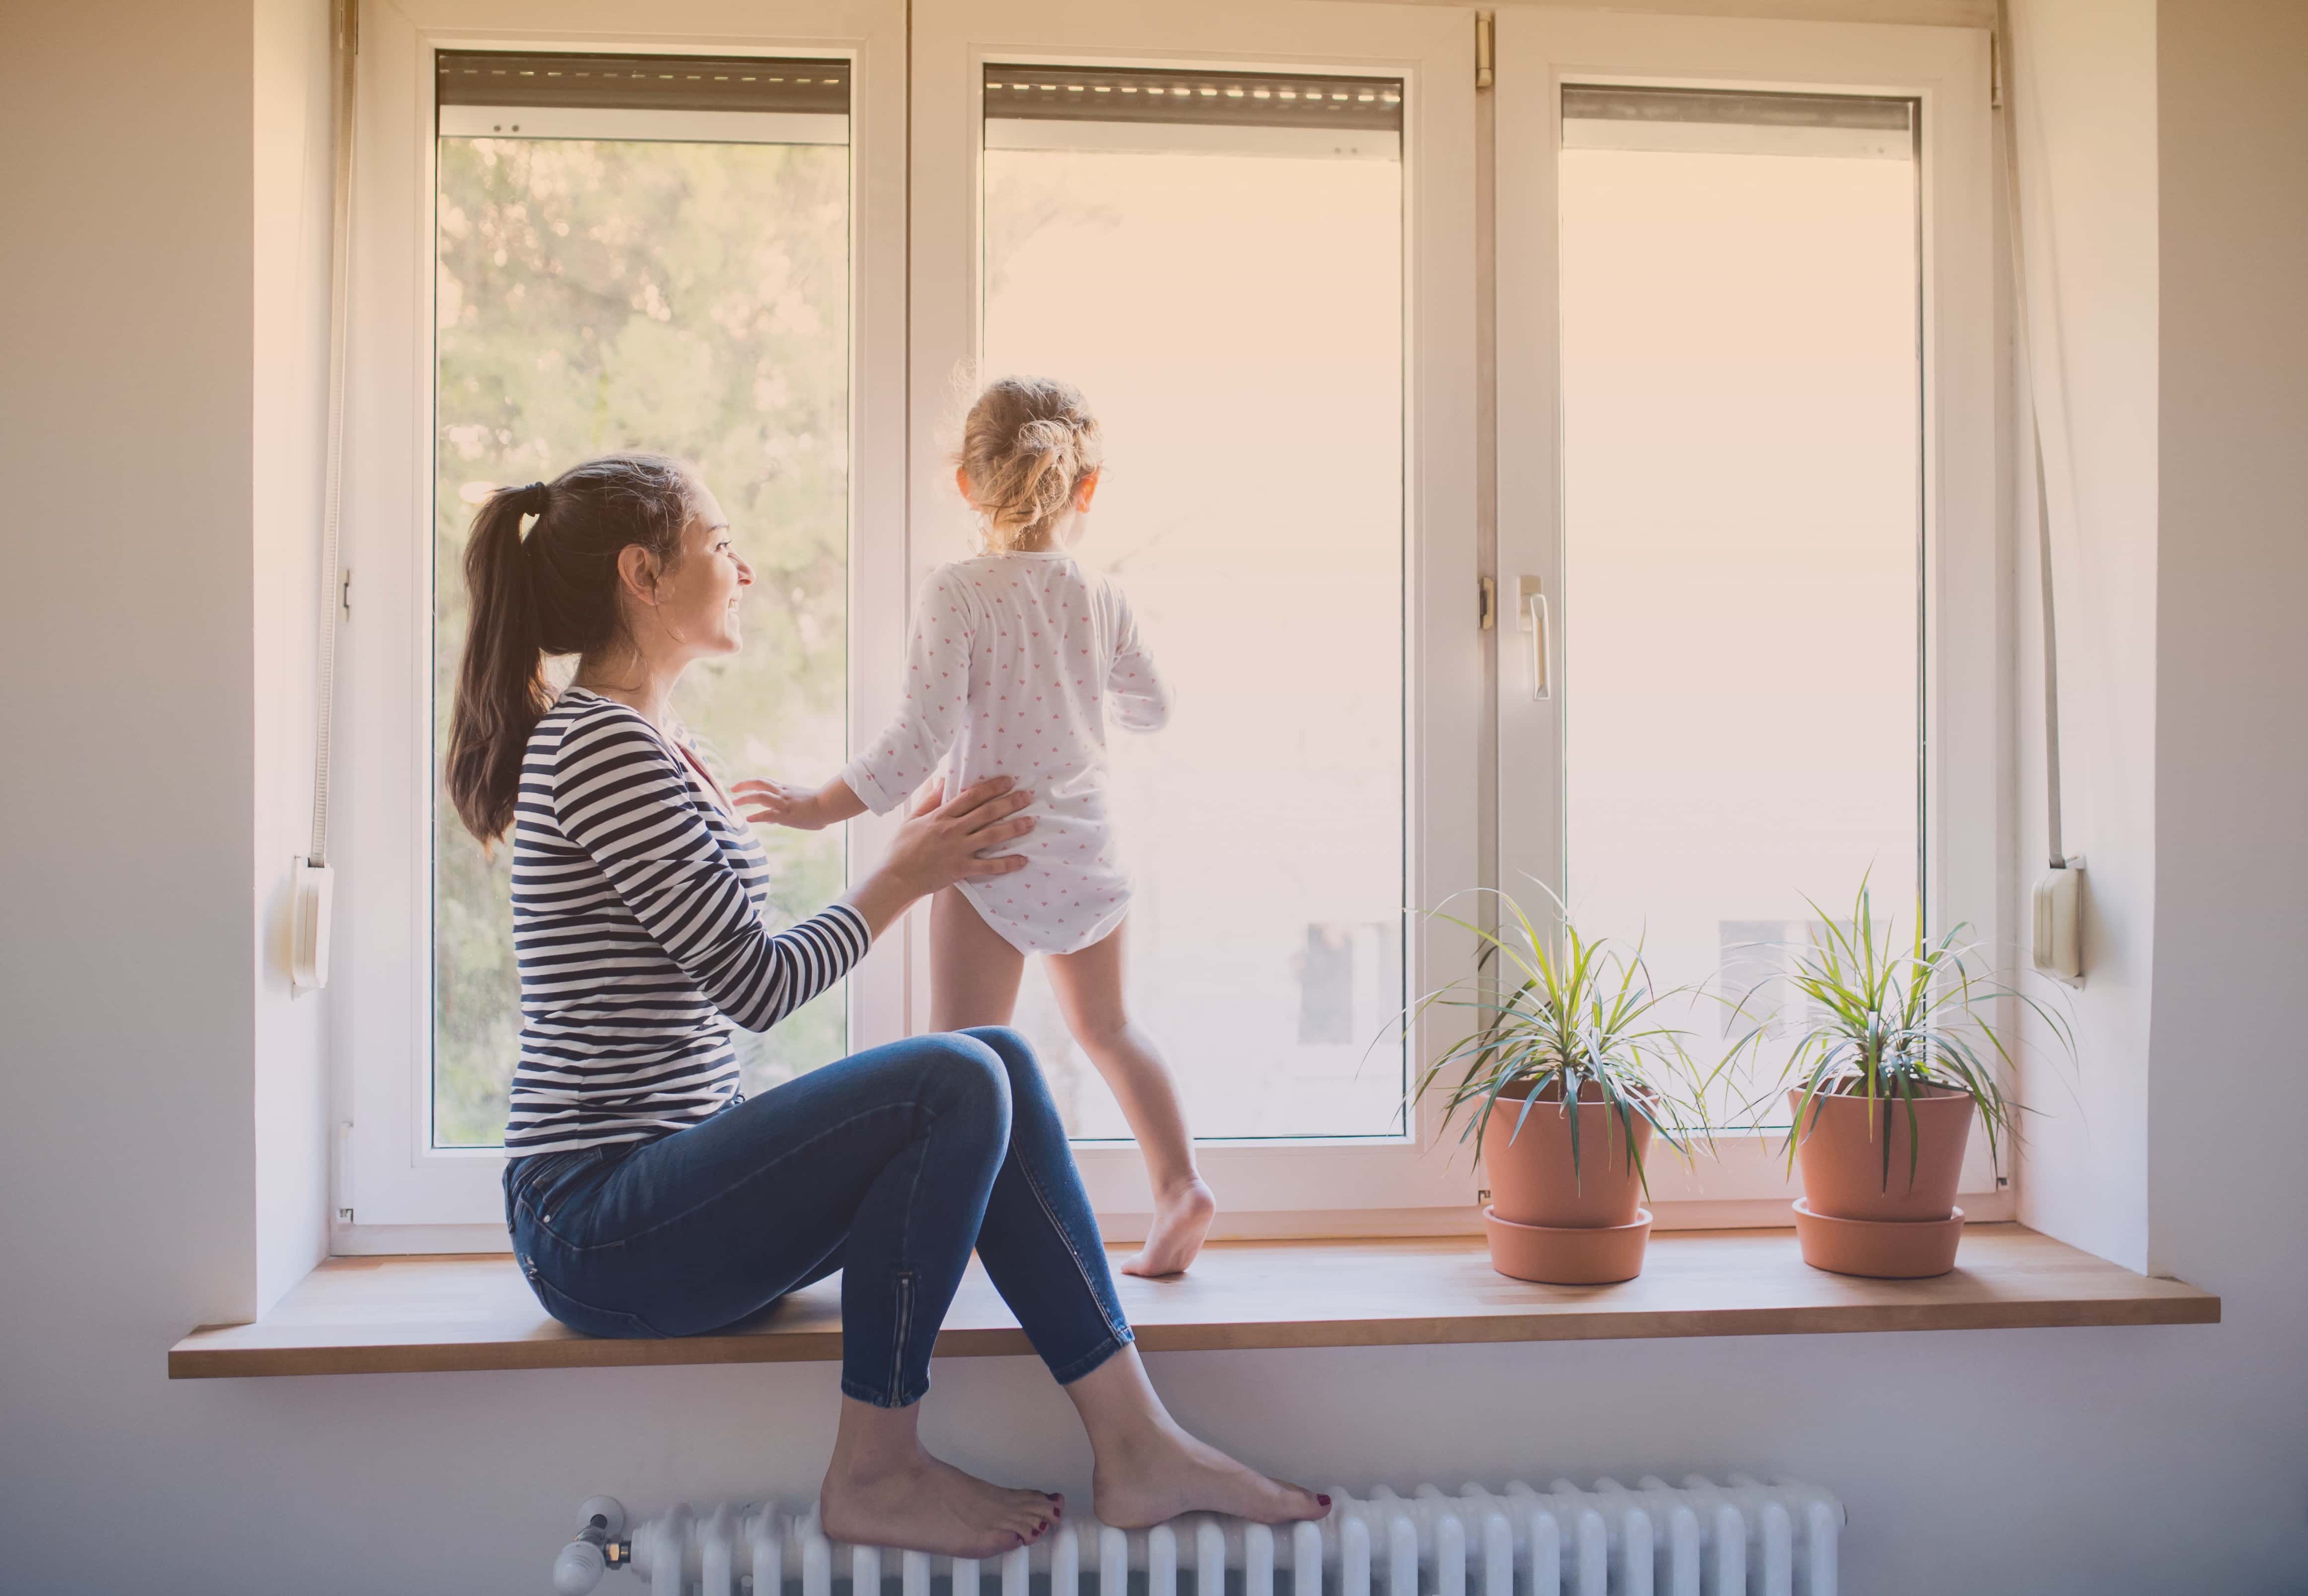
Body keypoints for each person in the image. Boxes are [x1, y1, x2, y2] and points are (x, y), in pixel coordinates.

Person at [443, 451, 1326, 1557]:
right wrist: (903, 873)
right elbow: (755, 982)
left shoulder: (663, 746)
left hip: (664, 1187)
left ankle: (1135, 1440)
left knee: (993, 1056)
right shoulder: (602, 746)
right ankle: (875, 1466)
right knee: (954, 1072)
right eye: (720, 544)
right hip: (595, 1221)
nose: (744, 567)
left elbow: (723, 957)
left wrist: (906, 855)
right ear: (643, 573)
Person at [740, 378, 1214, 1277]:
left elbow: (915, 743)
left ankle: (950, 1239)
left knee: (959, 1063)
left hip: (983, 848)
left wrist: (814, 805)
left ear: (966, 483)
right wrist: (1079, 685)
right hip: (1086, 848)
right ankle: (1180, 1184)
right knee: (1111, 1029)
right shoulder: (1099, 596)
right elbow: (1154, 707)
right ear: (1089, 488)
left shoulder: (957, 593)